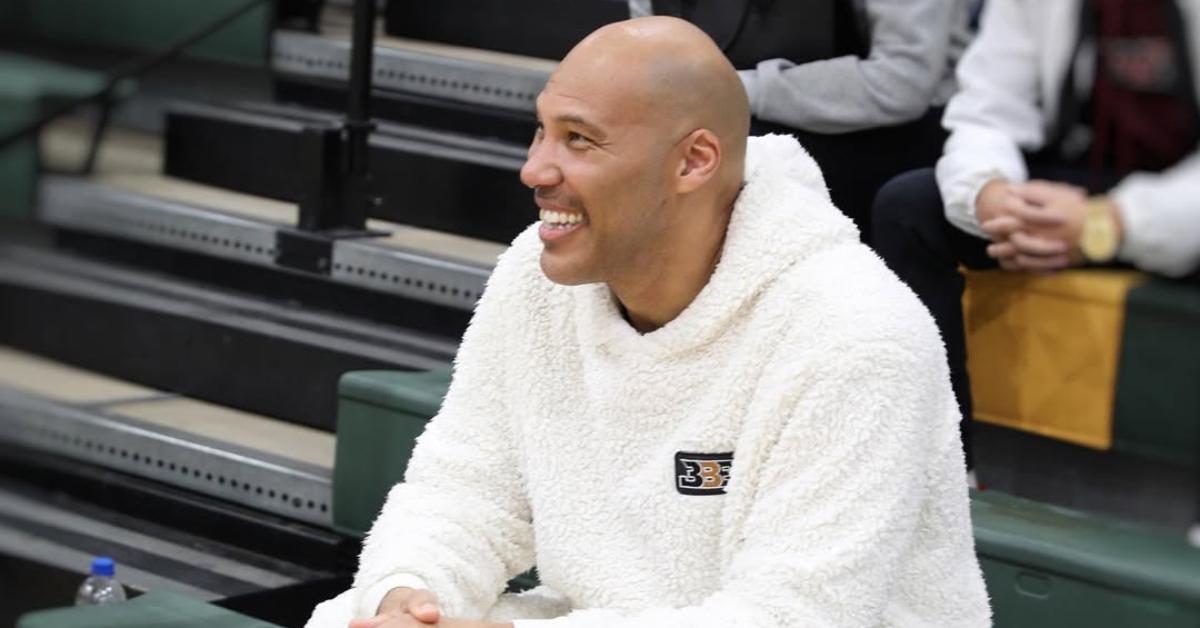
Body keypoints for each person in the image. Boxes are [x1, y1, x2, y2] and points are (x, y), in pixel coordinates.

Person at [307, 16, 989, 628]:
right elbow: (466, 489)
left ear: (694, 161)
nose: (533, 168)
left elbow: (793, 615)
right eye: (540, 130)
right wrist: (411, 598)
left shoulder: (858, 334)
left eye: (578, 140)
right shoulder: (536, 273)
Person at [871, 0, 1200, 474]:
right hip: (1075, 183)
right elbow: (987, 111)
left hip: (1172, 201)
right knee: (908, 208)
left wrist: (1109, 223)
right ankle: (940, 473)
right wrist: (990, 193)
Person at [630, 0, 974, 238]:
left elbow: (900, 82)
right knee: (633, 152)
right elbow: (644, 60)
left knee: (740, 162)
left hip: (890, 128)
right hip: (725, 113)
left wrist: (734, 90)